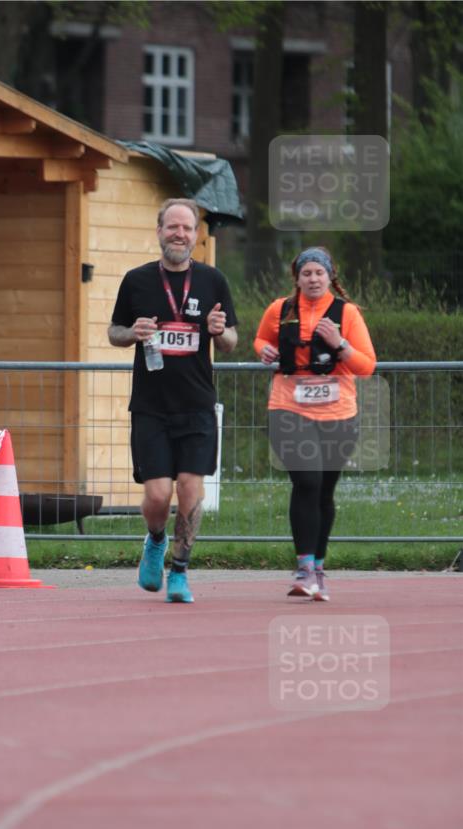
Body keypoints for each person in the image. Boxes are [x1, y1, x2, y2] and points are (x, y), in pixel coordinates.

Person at [108, 198, 238, 603]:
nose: (179, 234)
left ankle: (180, 572)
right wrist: (133, 332)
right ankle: (155, 539)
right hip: (151, 405)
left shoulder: (213, 281)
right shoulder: (137, 280)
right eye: (172, 227)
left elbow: (232, 342)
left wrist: (219, 332)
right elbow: (114, 332)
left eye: (187, 228)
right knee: (158, 495)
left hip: (197, 403)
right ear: (159, 231)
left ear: (196, 235)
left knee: (190, 489)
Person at [254, 246, 376, 601]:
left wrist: (340, 345)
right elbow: (262, 339)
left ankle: (318, 570)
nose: (312, 279)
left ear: (330, 276)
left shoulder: (346, 313)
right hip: (288, 406)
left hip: (338, 413)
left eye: (319, 273)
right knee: (306, 480)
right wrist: (263, 350)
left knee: (323, 490)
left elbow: (367, 366)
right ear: (297, 278)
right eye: (306, 273)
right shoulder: (280, 309)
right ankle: (304, 568)